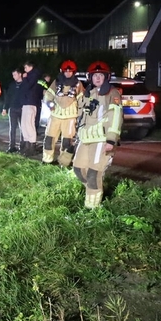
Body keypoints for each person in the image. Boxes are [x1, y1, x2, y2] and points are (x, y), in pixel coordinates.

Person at [73, 61, 123, 209]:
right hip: (85, 139)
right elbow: (82, 116)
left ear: (106, 77)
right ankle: (99, 188)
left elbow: (116, 117)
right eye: (95, 75)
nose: (98, 78)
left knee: (93, 174)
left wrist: (111, 140)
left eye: (101, 75)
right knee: (78, 169)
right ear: (90, 77)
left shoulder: (112, 93)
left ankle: (91, 209)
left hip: (102, 140)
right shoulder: (88, 93)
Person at [42, 60, 84, 167]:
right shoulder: (56, 82)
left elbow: (82, 100)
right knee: (49, 138)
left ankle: (63, 162)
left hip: (70, 117)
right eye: (66, 71)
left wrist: (80, 115)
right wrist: (49, 103)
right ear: (62, 71)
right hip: (55, 115)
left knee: (67, 141)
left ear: (73, 72)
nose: (68, 73)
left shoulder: (78, 84)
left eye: (70, 71)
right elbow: (48, 95)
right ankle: (47, 160)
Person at [21, 61, 44, 154]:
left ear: (30, 67)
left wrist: (25, 78)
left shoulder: (34, 75)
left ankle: (32, 146)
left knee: (30, 125)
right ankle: (27, 146)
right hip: (26, 102)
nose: (24, 70)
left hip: (31, 102)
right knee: (24, 125)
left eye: (26, 67)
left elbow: (28, 86)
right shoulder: (30, 75)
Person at [1, 68, 25, 153]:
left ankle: (22, 146)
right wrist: (5, 108)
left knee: (23, 128)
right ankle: (12, 146)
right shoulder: (12, 85)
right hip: (13, 109)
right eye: (13, 75)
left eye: (15, 74)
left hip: (23, 109)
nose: (14, 76)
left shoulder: (25, 84)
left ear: (20, 74)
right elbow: (8, 97)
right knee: (12, 128)